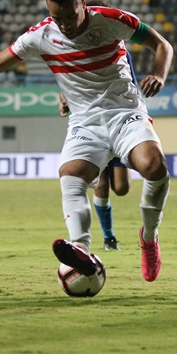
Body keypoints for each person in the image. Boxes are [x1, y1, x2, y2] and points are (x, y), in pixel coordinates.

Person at [0, 0, 173, 282]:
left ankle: (149, 237)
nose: (63, 24)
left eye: (69, 16)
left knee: (155, 167)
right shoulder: (41, 35)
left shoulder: (111, 20)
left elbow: (162, 45)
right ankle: (81, 250)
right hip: (85, 123)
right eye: (56, 17)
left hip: (125, 113)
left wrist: (159, 74)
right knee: (70, 176)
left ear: (83, 4)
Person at [59, 91, 130, 251]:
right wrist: (63, 100)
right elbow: (65, 87)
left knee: (121, 188)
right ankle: (109, 238)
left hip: (117, 125)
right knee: (101, 186)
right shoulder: (81, 78)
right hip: (93, 130)